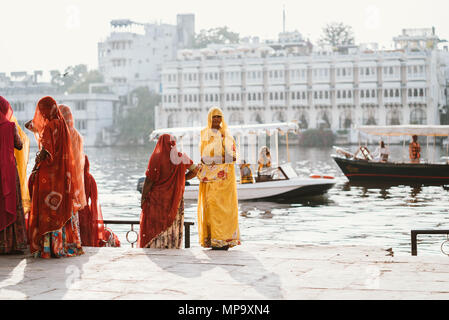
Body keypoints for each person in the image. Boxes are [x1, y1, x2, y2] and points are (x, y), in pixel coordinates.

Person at [27, 96, 83, 258]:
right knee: (60, 208)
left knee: (47, 210)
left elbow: (46, 150)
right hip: (61, 174)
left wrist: (38, 160)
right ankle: (62, 245)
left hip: (49, 175)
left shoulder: (51, 126)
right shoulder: (63, 125)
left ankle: (47, 248)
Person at [138, 134, 198, 249]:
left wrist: (143, 198)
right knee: (172, 220)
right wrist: (182, 178)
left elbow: (149, 181)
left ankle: (154, 246)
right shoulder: (181, 157)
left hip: (157, 198)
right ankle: (171, 246)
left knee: (156, 222)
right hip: (175, 198)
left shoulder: (156, 158)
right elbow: (195, 171)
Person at [197, 107, 240, 250]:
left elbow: (233, 157)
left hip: (223, 181)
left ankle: (223, 240)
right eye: (214, 116)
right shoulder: (204, 134)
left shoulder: (225, 135)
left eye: (219, 116)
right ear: (209, 118)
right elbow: (203, 156)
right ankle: (212, 239)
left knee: (223, 209)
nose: (216, 119)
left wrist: (216, 159)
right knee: (210, 206)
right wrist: (208, 160)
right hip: (209, 179)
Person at [0, 96, 28, 254]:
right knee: (11, 202)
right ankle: (13, 244)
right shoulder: (10, 126)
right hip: (8, 170)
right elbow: (19, 145)